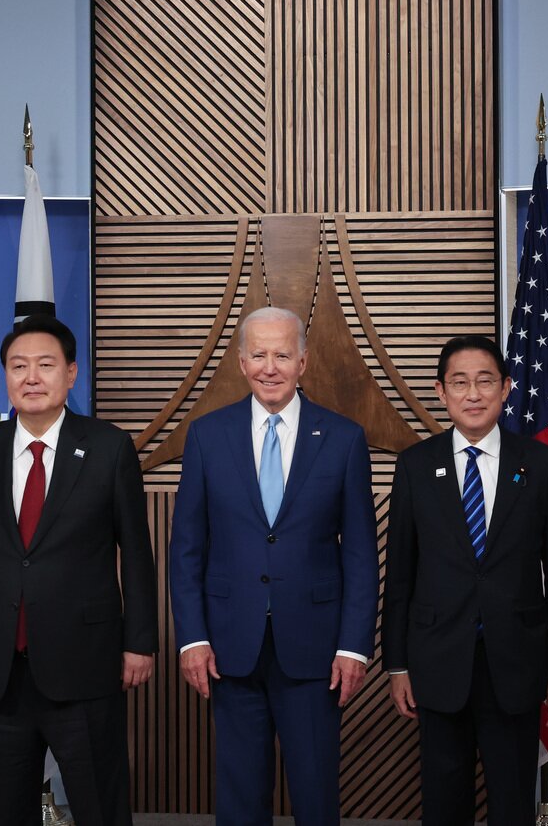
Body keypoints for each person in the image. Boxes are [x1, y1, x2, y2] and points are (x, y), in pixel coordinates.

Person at [0, 314, 157, 826]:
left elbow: (138, 553)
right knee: (8, 812)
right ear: (5, 377)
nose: (31, 377)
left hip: (86, 664)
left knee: (100, 807)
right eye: (18, 366)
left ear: (71, 373)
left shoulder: (108, 447)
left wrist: (138, 642)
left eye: (45, 365)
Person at [169, 306, 378, 826]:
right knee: (240, 800)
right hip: (228, 646)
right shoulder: (206, 436)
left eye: (282, 354)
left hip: (315, 648)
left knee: (315, 795)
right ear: (241, 362)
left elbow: (359, 553)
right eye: (258, 354)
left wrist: (354, 645)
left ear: (303, 361)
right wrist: (192, 639)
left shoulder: (344, 438)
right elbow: (187, 548)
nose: (270, 366)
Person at [381, 334, 548, 826]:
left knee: (512, 801)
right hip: (436, 660)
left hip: (515, 662)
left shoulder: (540, 464)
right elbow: (401, 573)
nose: (473, 394)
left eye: (485, 381)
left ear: (506, 388)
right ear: (441, 391)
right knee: (443, 802)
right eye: (460, 383)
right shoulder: (415, 466)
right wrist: (396, 664)